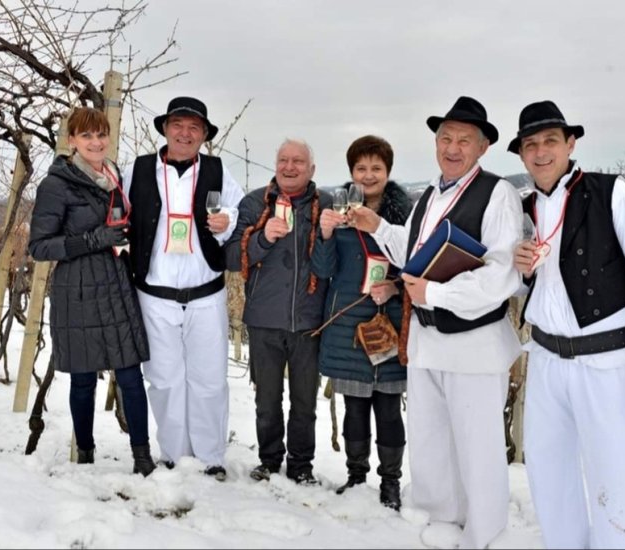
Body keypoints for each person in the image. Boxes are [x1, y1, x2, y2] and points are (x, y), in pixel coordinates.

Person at [351, 97, 524, 549]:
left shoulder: (497, 193)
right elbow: (413, 253)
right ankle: (442, 516)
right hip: (428, 339)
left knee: (477, 444)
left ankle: (485, 531)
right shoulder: (430, 193)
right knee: (432, 437)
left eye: (463, 140)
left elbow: (502, 273)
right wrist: (377, 227)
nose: (452, 147)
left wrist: (439, 294)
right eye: (445, 138)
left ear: (483, 147)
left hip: (474, 342)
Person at [510, 100, 625, 549]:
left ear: (570, 144)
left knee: (614, 475)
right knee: (548, 472)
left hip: (607, 361)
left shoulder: (610, 192)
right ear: (522, 154)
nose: (541, 152)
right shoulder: (524, 209)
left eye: (550, 141)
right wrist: (520, 269)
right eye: (531, 145)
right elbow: (535, 285)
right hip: (546, 359)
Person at [28, 107, 156, 476]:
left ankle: (142, 457)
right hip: (79, 290)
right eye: (87, 136)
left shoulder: (115, 176)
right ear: (72, 141)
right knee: (84, 379)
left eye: (101, 135)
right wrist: (92, 239)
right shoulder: (56, 184)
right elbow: (39, 247)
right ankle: (85, 454)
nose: (96, 142)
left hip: (116, 284)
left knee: (130, 376)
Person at [123, 96, 244, 481]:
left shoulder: (219, 171)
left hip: (206, 292)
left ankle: (211, 457)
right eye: (179, 125)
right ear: (165, 128)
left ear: (205, 135)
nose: (185, 133)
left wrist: (228, 222)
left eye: (195, 128)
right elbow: (118, 215)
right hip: (153, 295)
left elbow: (238, 215)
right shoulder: (136, 170)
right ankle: (174, 454)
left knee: (209, 379)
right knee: (163, 379)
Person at [311, 135, 412, 510]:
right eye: (361, 168)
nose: (368, 176)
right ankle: (356, 477)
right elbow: (323, 270)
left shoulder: (405, 216)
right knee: (354, 406)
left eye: (376, 168)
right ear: (351, 171)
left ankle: (390, 482)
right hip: (347, 322)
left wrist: (397, 287)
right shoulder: (339, 212)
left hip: (389, 319)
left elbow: (419, 267)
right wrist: (324, 233)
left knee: (388, 407)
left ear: (388, 171)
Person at [225, 139, 331, 485]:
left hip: (309, 321)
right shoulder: (255, 203)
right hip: (264, 319)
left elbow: (335, 263)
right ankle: (269, 460)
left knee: (305, 402)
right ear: (275, 164)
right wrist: (263, 239)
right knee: (267, 400)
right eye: (283, 159)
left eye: (298, 161)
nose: (289, 166)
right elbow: (229, 258)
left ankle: (301, 464)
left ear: (311, 169)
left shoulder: (326, 206)